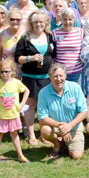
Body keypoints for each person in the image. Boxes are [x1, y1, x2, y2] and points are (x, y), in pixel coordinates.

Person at [15, 11, 57, 145]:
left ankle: (44, 134)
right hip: (30, 78)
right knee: (30, 106)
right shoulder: (25, 38)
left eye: (41, 22)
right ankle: (31, 134)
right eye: (35, 22)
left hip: (46, 78)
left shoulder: (50, 37)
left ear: (46, 23)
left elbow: (54, 55)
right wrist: (30, 58)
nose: (39, 24)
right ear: (31, 23)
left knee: (45, 107)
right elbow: (17, 58)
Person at [0, 59, 30, 165]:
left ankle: (20, 155)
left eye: (7, 71)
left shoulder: (16, 83)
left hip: (13, 114)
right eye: (2, 72)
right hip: (1, 115)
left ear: (12, 71)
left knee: (14, 134)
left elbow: (26, 90)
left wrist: (22, 103)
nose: (4, 74)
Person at [38, 64, 88, 160]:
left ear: (65, 76)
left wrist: (69, 126)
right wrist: (61, 126)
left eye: (61, 76)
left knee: (76, 156)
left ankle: (66, 144)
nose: (58, 79)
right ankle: (57, 144)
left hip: (74, 127)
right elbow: (42, 118)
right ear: (50, 78)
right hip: (55, 128)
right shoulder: (43, 93)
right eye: (55, 76)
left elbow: (83, 112)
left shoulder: (75, 88)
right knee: (45, 130)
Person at [53, 7, 85, 88]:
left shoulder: (80, 32)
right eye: (65, 19)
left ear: (74, 20)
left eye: (70, 19)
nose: (67, 22)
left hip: (76, 72)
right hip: (60, 74)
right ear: (61, 20)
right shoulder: (55, 33)